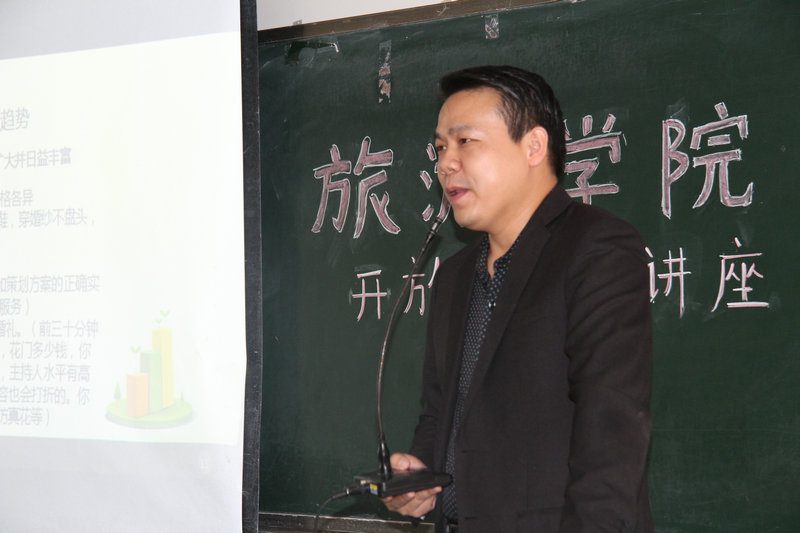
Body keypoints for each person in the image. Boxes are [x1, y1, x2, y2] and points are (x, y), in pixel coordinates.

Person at [382, 66, 653, 532]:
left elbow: (612, 436)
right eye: (440, 148)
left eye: (465, 142)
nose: (445, 164)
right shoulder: (453, 275)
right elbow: (440, 411)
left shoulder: (596, 250)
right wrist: (421, 476)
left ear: (533, 146)